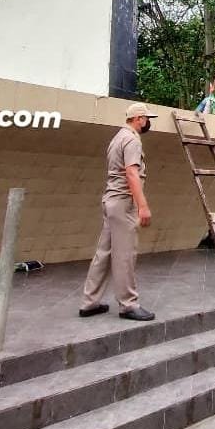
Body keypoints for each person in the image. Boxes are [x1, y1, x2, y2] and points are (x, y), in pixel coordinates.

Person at [80, 102, 158, 321]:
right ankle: (129, 305)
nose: (147, 122)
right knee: (125, 254)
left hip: (110, 201)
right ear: (138, 119)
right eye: (146, 118)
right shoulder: (132, 139)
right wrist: (142, 205)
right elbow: (132, 174)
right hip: (123, 202)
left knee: (103, 253)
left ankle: (89, 302)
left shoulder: (117, 138)